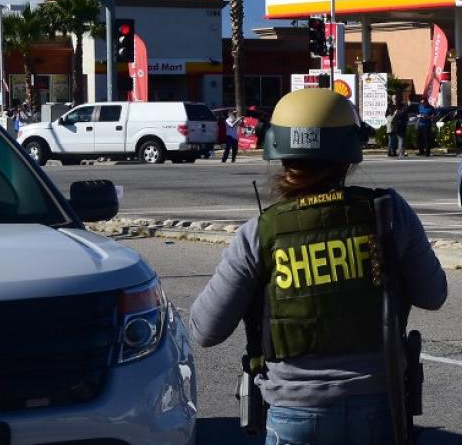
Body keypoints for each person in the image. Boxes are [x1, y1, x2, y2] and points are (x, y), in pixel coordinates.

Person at [190, 88, 447, 444]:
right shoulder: (389, 213)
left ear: (279, 155)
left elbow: (206, 330)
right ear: (348, 158)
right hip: (380, 407)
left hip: (293, 414)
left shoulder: (259, 233)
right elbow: (433, 295)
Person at [386, 93, 409, 158]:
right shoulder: (389, 106)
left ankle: (401, 153)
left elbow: (405, 115)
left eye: (396, 98)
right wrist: (394, 114)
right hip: (393, 126)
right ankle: (391, 152)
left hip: (401, 125)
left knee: (401, 140)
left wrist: (405, 121)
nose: (395, 100)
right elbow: (387, 116)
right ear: (392, 99)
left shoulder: (402, 106)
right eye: (394, 98)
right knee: (392, 140)